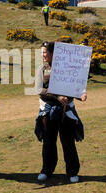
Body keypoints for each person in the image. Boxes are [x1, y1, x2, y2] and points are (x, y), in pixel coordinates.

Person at [34, 41, 87, 183]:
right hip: (48, 110)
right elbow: (39, 90)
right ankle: (46, 170)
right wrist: (56, 96)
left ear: (53, 53)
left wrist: (80, 95)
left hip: (66, 110)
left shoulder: (67, 67)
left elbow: (75, 86)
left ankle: (72, 172)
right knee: (48, 142)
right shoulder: (42, 69)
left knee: (68, 142)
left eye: (45, 52)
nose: (43, 55)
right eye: (42, 53)